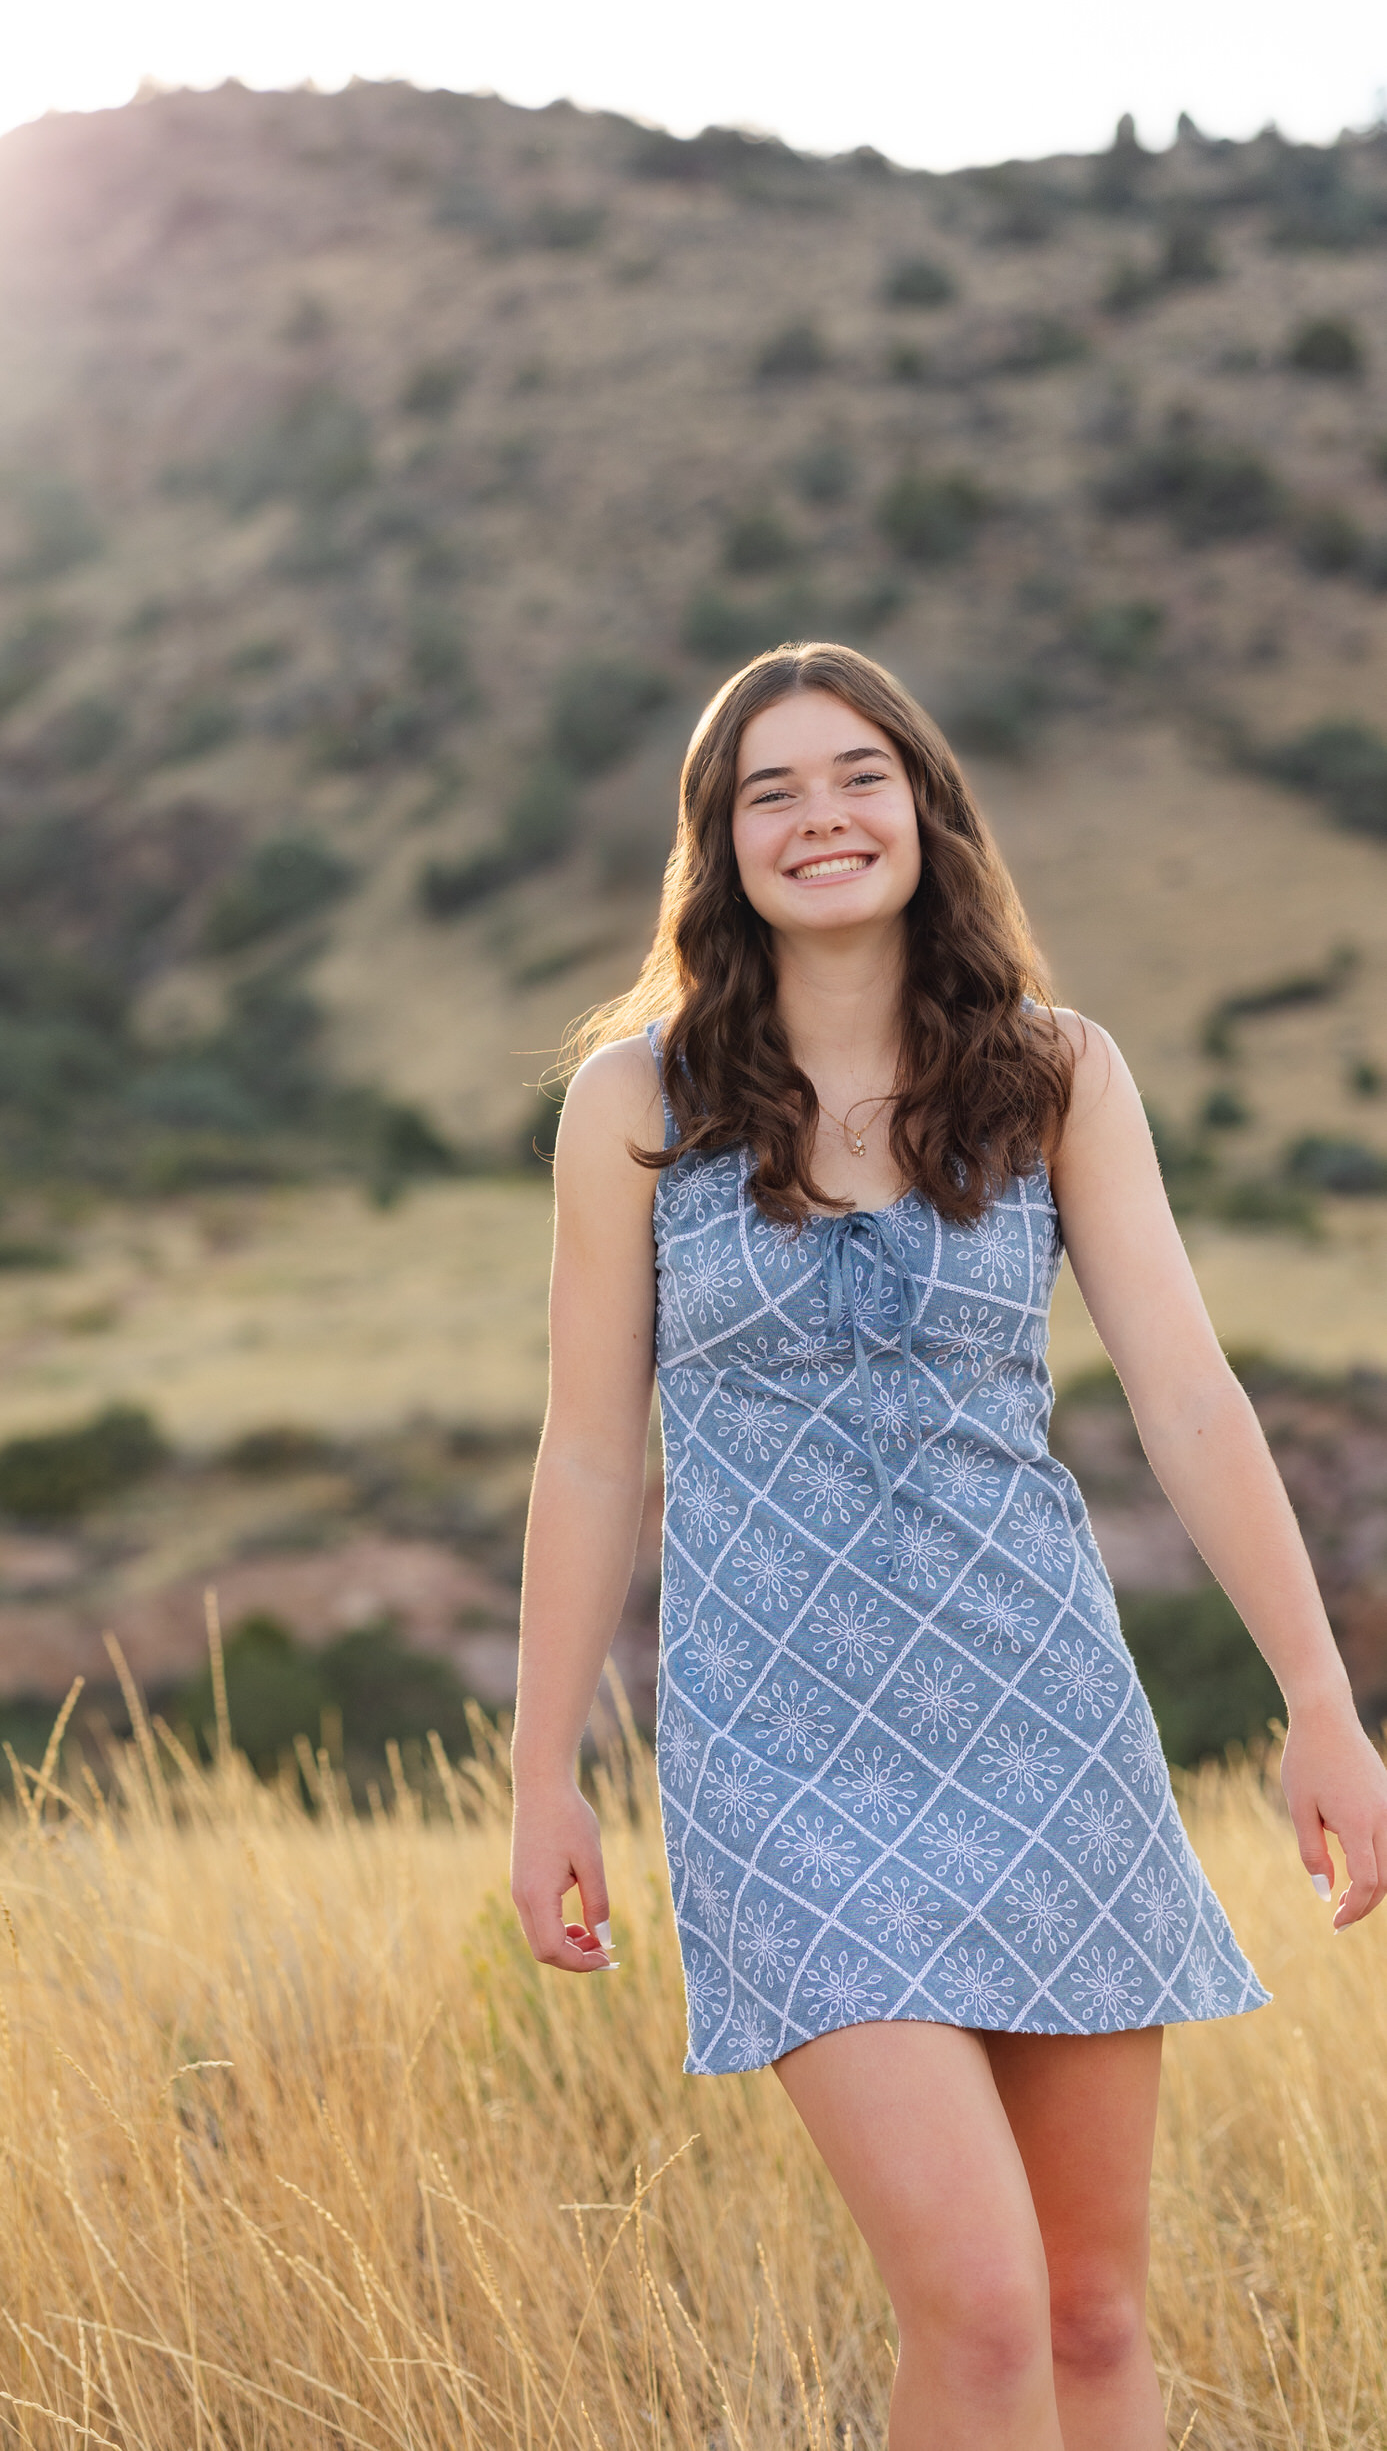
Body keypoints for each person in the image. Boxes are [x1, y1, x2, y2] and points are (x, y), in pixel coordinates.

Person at [509, 642, 1387, 2451]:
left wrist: (1320, 1697)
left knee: (1087, 2314)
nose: (820, 815)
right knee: (979, 2314)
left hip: (1043, 1728)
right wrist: (544, 1772)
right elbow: (594, 1458)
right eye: (772, 789)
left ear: (925, 808)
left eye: (858, 776)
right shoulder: (637, 1105)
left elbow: (1193, 1400)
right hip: (782, 1760)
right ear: (720, 844)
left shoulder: (1058, 1077)